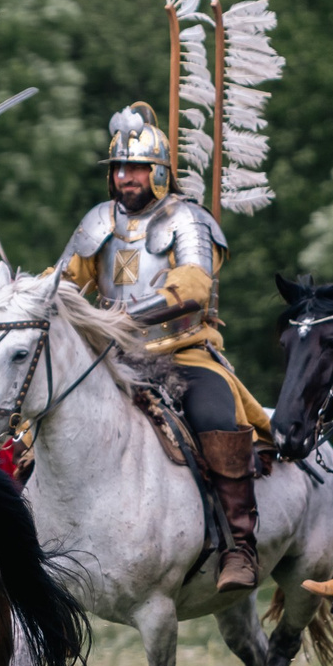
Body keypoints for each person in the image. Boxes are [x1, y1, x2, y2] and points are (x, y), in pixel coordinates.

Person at [56, 102, 273, 589]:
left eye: (136, 168)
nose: (126, 177)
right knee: (40, 421)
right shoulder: (98, 221)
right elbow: (65, 280)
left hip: (183, 353)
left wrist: (124, 316)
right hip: (112, 360)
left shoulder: (188, 220)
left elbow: (193, 286)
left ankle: (240, 547)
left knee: (217, 419)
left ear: (158, 172)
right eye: (119, 169)